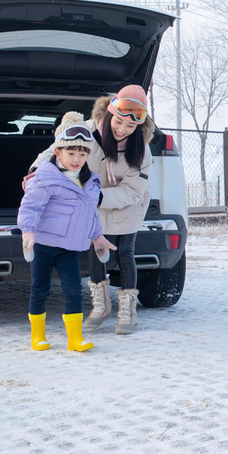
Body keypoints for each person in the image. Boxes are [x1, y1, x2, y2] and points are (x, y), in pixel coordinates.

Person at [26, 85, 154, 335]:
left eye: (131, 126)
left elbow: (133, 191)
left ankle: (127, 309)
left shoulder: (142, 149)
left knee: (124, 252)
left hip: (124, 203)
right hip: (90, 200)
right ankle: (101, 306)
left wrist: (96, 197)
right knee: (95, 251)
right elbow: (55, 150)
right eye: (118, 121)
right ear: (109, 112)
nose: (122, 130)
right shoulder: (86, 130)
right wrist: (34, 171)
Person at [19, 112, 116, 351]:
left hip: (70, 248)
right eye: (71, 153)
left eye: (82, 154)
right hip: (43, 245)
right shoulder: (46, 177)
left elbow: (90, 214)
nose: (77, 159)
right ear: (58, 153)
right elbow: (31, 206)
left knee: (74, 291)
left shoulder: (90, 182)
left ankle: (75, 339)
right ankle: (38, 336)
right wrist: (27, 232)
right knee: (40, 289)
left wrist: (98, 237)